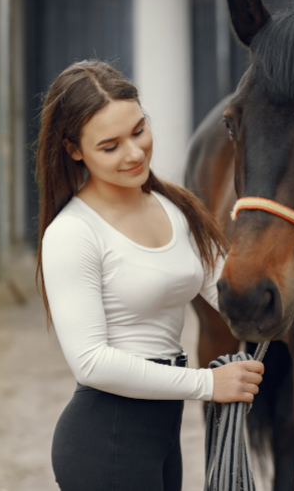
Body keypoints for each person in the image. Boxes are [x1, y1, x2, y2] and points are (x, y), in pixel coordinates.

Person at [36, 60, 263, 491]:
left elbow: (231, 296)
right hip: (106, 442)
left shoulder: (174, 206)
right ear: (74, 150)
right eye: (110, 146)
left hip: (161, 436)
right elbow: (91, 363)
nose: (135, 153)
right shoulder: (72, 233)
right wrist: (206, 383)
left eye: (139, 130)